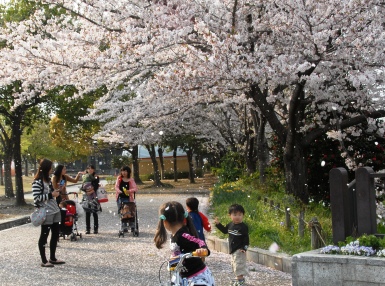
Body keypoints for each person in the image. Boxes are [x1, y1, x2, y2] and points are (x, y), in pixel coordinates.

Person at [154, 201, 215, 285]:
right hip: (183, 276)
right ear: (183, 218)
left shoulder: (183, 235)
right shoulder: (174, 235)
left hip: (196, 276)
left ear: (165, 222)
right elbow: (179, 252)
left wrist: (203, 250)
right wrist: (173, 261)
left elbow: (199, 241)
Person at [32, 158, 65, 267]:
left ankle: (52, 257)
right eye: (50, 167)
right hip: (46, 212)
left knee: (55, 234)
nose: (52, 169)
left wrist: (57, 191)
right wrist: (51, 195)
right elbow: (36, 198)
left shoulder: (48, 180)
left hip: (54, 209)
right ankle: (44, 260)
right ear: (46, 168)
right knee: (44, 235)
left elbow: (51, 194)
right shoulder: (37, 182)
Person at [214, 204, 249, 286]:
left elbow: (246, 239)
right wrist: (218, 224)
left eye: (240, 215)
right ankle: (238, 278)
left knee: (239, 264)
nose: (237, 217)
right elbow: (225, 231)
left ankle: (240, 280)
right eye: (235, 214)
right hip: (232, 249)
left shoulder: (243, 227)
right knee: (234, 263)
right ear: (230, 215)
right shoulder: (230, 225)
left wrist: (244, 247)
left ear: (243, 215)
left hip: (240, 249)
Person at [82, 165, 100, 234]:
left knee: (95, 212)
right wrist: (87, 191)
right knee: (87, 212)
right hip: (86, 196)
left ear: (94, 170)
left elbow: (96, 186)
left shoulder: (96, 177)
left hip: (94, 196)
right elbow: (83, 186)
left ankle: (95, 228)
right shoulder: (85, 177)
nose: (90, 170)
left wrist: (91, 191)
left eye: (92, 169)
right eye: (89, 169)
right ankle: (87, 228)